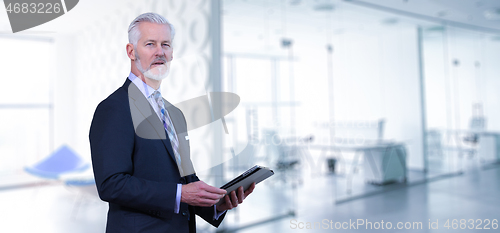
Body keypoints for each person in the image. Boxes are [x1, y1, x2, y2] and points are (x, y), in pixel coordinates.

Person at [89, 12, 255, 233]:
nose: (160, 52)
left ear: (172, 53)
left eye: (165, 44)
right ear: (131, 51)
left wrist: (216, 205)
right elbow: (111, 184)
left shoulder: (174, 113)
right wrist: (179, 194)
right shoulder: (113, 109)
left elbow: (185, 180)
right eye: (150, 44)